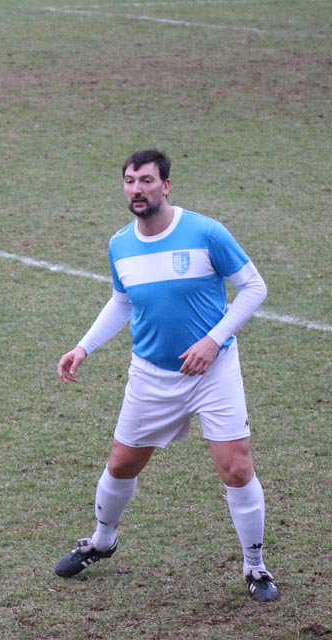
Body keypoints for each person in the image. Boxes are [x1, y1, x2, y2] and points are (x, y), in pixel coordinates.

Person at [53, 149, 278, 602]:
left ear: (166, 186)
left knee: (236, 468)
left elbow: (254, 287)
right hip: (151, 375)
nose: (137, 189)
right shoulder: (120, 244)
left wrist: (213, 340)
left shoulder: (206, 232)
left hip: (213, 371)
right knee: (122, 464)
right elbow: (122, 301)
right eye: (130, 181)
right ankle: (102, 541)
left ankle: (255, 566)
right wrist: (83, 346)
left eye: (146, 181)